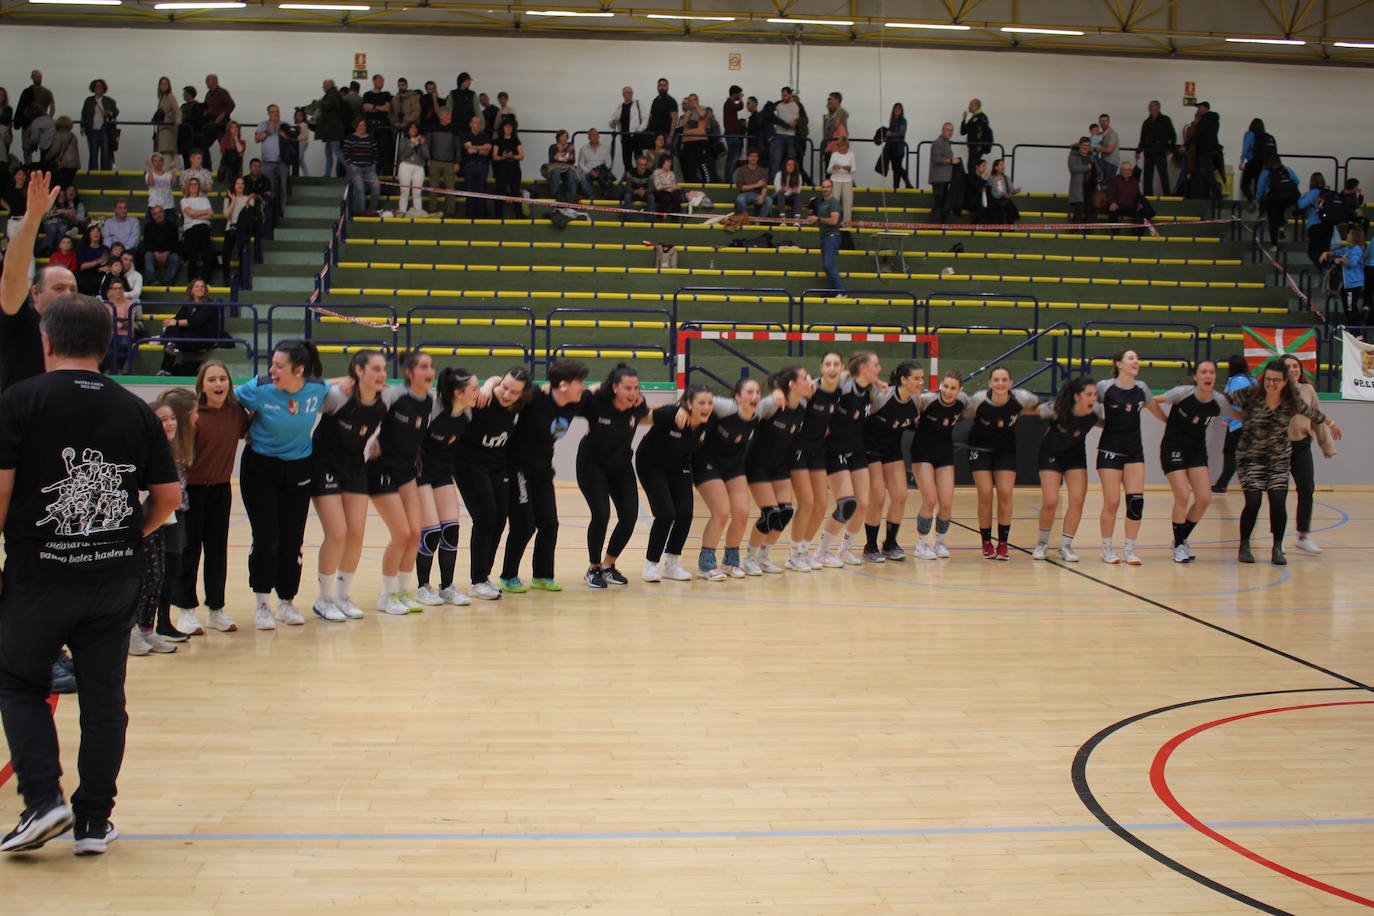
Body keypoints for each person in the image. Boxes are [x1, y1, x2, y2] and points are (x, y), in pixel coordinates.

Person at [0, 293, 180, 856]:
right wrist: (128, 537)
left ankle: (42, 801)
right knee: (105, 701)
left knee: (18, 684)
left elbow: (1, 491)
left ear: (46, 341)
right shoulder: (135, 407)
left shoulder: (20, 399)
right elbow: (168, 497)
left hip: (39, 576)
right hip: (114, 579)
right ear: (106, 345)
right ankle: (93, 822)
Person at [235, 340, 328, 630]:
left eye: (279, 366)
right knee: (266, 537)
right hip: (260, 467)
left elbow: (337, 385)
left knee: (292, 538)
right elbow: (226, 402)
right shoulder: (258, 388)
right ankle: (262, 604)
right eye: (272, 364)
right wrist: (243, 424)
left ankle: (286, 600)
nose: (272, 370)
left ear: (298, 370)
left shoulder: (317, 388)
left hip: (299, 467)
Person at [1229, 360, 1341, 565]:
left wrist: (1331, 424)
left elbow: (1313, 413)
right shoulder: (1251, 393)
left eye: (1276, 380)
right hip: (1250, 457)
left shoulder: (1292, 400)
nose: (1271, 384)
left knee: (1278, 501)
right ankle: (1244, 546)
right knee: (1253, 501)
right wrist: (1234, 416)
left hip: (1278, 458)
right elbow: (1222, 400)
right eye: (1268, 379)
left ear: (1284, 382)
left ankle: (1277, 547)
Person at [498, 360, 590, 593]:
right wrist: (489, 385)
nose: (583, 386)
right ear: (563, 384)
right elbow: (501, 387)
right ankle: (508, 576)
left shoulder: (575, 401)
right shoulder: (536, 396)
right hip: (517, 468)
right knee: (524, 525)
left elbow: (600, 389)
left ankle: (542, 576)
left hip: (543, 471)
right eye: (579, 382)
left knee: (549, 524)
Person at [173, 360, 247, 634]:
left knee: (217, 551)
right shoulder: (193, 414)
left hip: (221, 489)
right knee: (189, 551)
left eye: (222, 379)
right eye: (212, 379)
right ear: (202, 385)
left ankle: (216, 610)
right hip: (191, 491)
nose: (218, 384)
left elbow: (249, 431)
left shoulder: (236, 412)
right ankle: (186, 610)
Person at [365, 351, 435, 616]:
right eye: (423, 366)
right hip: (381, 470)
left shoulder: (429, 400)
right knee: (402, 534)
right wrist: (372, 440)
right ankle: (386, 595)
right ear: (409, 372)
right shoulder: (393, 395)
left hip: (406, 471)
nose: (429, 371)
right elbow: (365, 411)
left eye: (431, 366)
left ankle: (404, 592)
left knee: (415, 534)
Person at [455, 368, 531, 601]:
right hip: (469, 464)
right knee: (485, 518)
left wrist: (493, 381)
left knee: (499, 519)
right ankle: (477, 581)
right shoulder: (483, 399)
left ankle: (483, 576)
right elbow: (493, 381)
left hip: (497, 466)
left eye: (514, 392)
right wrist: (489, 384)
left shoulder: (518, 405)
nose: (507, 394)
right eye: (504, 388)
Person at [131, 389, 196, 652]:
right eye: (162, 420)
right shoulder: (146, 450)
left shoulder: (178, 446)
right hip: (152, 515)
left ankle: (150, 629)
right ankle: (132, 630)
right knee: (148, 573)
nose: (169, 424)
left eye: (171, 418)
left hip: (174, 514)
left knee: (162, 574)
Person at [573, 364, 648, 590]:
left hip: (621, 465)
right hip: (591, 465)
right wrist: (592, 388)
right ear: (615, 388)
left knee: (629, 516)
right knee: (601, 514)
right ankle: (593, 568)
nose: (633, 392)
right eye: (627, 388)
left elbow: (648, 412)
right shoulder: (596, 403)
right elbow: (572, 402)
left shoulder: (638, 405)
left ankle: (608, 565)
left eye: (636, 388)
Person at [413, 367, 479, 606]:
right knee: (431, 531)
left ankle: (447, 587)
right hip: (419, 473)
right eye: (474, 388)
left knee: (451, 529)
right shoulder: (432, 410)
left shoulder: (466, 415)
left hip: (442, 473)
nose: (478, 392)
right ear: (458, 393)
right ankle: (423, 587)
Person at [1153, 361, 1230, 564]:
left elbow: (1233, 414)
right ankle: (1179, 546)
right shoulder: (1182, 393)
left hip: (1196, 451)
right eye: (1203, 372)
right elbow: (1151, 401)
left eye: (1211, 372)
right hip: (1173, 448)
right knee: (1182, 495)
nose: (1208, 375)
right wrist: (1164, 419)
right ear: (1196, 377)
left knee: (1204, 498)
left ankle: (1180, 539)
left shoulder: (1219, 400)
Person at [1095, 350, 1167, 565]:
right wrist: (1103, 423)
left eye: (1137, 358)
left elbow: (1155, 410)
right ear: (1119, 364)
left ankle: (1130, 550)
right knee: (1112, 502)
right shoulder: (1104, 387)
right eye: (1131, 358)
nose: (1136, 361)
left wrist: (1171, 424)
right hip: (1109, 451)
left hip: (1134, 452)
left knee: (1136, 502)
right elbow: (1090, 411)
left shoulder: (1142, 388)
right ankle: (1107, 549)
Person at [693, 378, 768, 580]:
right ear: (737, 397)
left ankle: (730, 562)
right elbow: (697, 399)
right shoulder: (725, 407)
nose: (755, 396)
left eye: (757, 392)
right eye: (749, 392)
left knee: (742, 513)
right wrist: (682, 409)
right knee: (722, 512)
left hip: (734, 466)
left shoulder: (760, 411)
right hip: (708, 463)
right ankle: (706, 565)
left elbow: (781, 398)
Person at [812, 352, 882, 566]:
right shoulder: (843, 387)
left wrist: (877, 381)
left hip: (857, 450)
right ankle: (821, 551)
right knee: (846, 504)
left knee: (863, 504)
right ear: (864, 369)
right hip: (834, 450)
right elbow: (822, 384)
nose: (879, 369)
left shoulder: (869, 390)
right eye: (876, 365)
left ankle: (845, 549)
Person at [637, 384, 712, 581]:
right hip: (650, 464)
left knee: (685, 513)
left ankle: (671, 565)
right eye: (701, 403)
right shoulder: (671, 414)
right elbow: (642, 415)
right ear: (689, 404)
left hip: (679, 466)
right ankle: (650, 565)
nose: (706, 407)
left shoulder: (707, 423)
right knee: (665, 513)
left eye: (709, 403)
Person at [964, 367, 1039, 560]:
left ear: (1011, 382)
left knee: (1005, 493)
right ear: (990, 383)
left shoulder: (1021, 398)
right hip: (980, 448)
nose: (1000, 383)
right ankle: (986, 542)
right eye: (996, 380)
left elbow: (1037, 406)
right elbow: (965, 412)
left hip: (1005, 449)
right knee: (985, 493)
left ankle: (1003, 544)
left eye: (1004, 380)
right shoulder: (979, 399)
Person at [743, 366, 812, 575]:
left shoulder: (802, 405)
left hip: (779, 465)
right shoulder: (771, 404)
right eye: (805, 378)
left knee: (785, 512)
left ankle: (763, 557)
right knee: (770, 513)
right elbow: (744, 417)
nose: (810, 381)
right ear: (792, 384)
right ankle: (749, 559)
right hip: (757, 464)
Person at [1031, 377, 1102, 561]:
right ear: (1077, 396)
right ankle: (1042, 543)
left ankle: (1065, 546)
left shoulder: (1096, 412)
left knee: (1077, 500)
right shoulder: (1057, 408)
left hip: (1075, 456)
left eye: (1095, 394)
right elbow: (1031, 410)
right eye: (1089, 394)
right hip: (1051, 453)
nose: (1093, 398)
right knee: (1051, 501)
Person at [862, 361, 924, 562]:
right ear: (903, 380)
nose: (921, 382)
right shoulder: (882, 396)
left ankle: (890, 544)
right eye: (916, 378)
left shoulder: (916, 401)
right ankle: (870, 546)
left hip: (892, 450)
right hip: (870, 449)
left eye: (922, 378)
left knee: (900, 496)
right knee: (878, 498)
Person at [1278, 353, 1338, 556]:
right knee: (1278, 493)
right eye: (1288, 367)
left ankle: (1303, 536)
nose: (1293, 370)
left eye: (1296, 366)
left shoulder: (1308, 390)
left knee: (1306, 489)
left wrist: (1326, 446)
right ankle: (1278, 539)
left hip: (1302, 446)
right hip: (1278, 448)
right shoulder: (1274, 390)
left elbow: (1317, 419)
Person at [787, 351, 840, 571]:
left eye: (836, 364)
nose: (831, 368)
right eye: (827, 364)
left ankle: (804, 550)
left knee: (822, 504)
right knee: (807, 502)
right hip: (798, 449)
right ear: (821, 368)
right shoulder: (811, 389)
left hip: (818, 450)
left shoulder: (840, 392)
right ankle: (793, 555)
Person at [911, 370, 968, 560]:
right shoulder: (927, 400)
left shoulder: (963, 402)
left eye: (953, 388)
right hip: (922, 452)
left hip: (944, 454)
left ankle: (939, 542)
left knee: (947, 502)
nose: (948, 391)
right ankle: (921, 545)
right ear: (940, 385)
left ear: (960, 390)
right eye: (945, 386)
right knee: (930, 500)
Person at [1212, 354, 1253, 494]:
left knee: (1230, 453)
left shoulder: (1235, 381)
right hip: (1252, 424)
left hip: (1238, 425)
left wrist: (1227, 419)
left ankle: (1221, 484)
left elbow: (1232, 402)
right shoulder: (1252, 380)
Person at [1321, 226, 1367, 325]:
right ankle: (1351, 328)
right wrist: (1327, 253)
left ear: (1354, 236)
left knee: (1351, 308)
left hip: (1353, 284)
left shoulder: (1357, 249)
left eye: (1349, 234)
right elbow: (1336, 252)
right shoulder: (1348, 248)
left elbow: (1353, 263)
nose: (1347, 235)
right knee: (1347, 308)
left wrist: (1341, 260)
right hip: (1346, 284)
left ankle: (1357, 330)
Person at [253, 105, 290, 220]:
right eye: (273, 112)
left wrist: (284, 134)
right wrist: (267, 133)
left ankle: (283, 211)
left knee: (284, 187)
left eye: (277, 111)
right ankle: (271, 212)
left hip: (282, 161)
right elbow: (257, 139)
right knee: (269, 187)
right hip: (268, 162)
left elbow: (291, 138)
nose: (276, 114)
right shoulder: (263, 124)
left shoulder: (284, 124)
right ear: (269, 113)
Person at [806, 179, 845, 291]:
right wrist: (813, 220)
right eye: (823, 187)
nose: (826, 189)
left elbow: (834, 221)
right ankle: (830, 291)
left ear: (831, 188)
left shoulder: (834, 202)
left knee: (829, 265)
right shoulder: (822, 204)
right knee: (826, 266)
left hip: (832, 237)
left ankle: (842, 291)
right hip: (824, 237)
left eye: (828, 187)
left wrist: (818, 218)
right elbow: (821, 224)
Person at [1254, 156, 1301, 245]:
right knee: (1281, 210)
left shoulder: (1266, 172)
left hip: (1273, 199)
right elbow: (1297, 181)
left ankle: (1274, 244)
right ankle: (1281, 227)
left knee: (1272, 221)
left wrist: (1257, 201)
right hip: (1288, 199)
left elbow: (1260, 188)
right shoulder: (1287, 169)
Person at [1136, 100, 1176, 197]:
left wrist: (1170, 148)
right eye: (1150, 106)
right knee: (1147, 177)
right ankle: (1148, 197)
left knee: (1163, 176)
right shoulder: (1147, 122)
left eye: (1153, 106)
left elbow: (1172, 135)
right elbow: (1143, 138)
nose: (1151, 108)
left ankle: (1167, 196)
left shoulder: (1165, 120)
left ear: (1158, 107)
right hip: (1148, 152)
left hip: (1160, 152)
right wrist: (1138, 151)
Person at [426, 108, 461, 218]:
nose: (450, 117)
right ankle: (432, 211)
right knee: (433, 189)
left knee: (450, 189)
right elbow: (427, 145)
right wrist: (428, 160)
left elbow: (458, 147)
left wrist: (457, 162)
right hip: (434, 162)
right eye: (448, 115)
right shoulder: (432, 128)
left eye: (450, 115)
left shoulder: (454, 129)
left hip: (449, 163)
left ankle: (451, 213)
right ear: (441, 116)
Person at [179, 178, 215, 281]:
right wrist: (204, 211)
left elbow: (211, 214)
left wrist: (196, 215)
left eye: (196, 184)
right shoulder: (184, 200)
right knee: (192, 257)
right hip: (191, 229)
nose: (193, 186)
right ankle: (192, 282)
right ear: (188, 187)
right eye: (191, 184)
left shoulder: (205, 199)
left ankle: (206, 281)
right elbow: (191, 213)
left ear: (199, 187)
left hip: (204, 228)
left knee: (207, 256)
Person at [343, 119, 380, 216]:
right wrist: (350, 164)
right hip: (356, 168)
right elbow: (345, 152)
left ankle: (372, 210)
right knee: (360, 189)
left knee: (376, 186)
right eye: (360, 125)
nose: (362, 127)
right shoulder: (350, 138)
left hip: (369, 169)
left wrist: (374, 163)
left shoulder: (371, 139)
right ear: (356, 126)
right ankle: (362, 212)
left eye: (363, 125)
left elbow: (376, 152)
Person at [80, 79, 118, 172]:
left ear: (104, 88)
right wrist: (83, 126)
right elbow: (84, 114)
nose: (98, 88)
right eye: (97, 86)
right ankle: (93, 174)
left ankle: (105, 174)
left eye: (100, 87)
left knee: (106, 154)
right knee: (93, 154)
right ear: (93, 88)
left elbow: (116, 112)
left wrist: (110, 113)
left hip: (105, 129)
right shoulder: (88, 101)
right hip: (92, 129)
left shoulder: (110, 101)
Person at [460, 115, 493, 218]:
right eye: (475, 122)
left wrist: (474, 149)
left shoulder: (486, 136)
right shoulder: (465, 135)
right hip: (469, 166)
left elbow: (487, 150)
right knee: (470, 191)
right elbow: (468, 148)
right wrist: (482, 148)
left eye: (479, 123)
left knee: (481, 191)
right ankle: (470, 216)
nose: (477, 125)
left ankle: (481, 216)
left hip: (482, 166)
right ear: (470, 124)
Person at [361, 75, 394, 178]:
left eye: (383, 81)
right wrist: (380, 107)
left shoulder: (385, 95)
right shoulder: (367, 95)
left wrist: (374, 107)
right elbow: (365, 108)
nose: (382, 83)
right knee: (370, 149)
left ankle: (382, 173)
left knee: (383, 150)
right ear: (374, 81)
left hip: (382, 126)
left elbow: (387, 108)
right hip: (371, 126)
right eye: (380, 80)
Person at [490, 120, 523, 219]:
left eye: (510, 127)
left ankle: (519, 216)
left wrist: (512, 156)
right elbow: (494, 157)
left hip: (514, 169)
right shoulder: (497, 141)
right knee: (500, 191)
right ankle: (498, 216)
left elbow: (521, 156)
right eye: (506, 126)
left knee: (515, 192)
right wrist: (503, 157)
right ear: (502, 128)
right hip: (501, 169)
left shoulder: (516, 141)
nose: (508, 128)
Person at [1239, 118, 1276, 203]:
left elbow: (1246, 148)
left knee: (1244, 185)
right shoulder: (1266, 137)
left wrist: (1241, 161)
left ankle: (1252, 200)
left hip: (1252, 162)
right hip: (1263, 164)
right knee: (1258, 185)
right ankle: (1257, 203)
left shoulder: (1249, 134)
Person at [929, 122, 960, 223]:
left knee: (942, 204)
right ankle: (935, 225)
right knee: (939, 204)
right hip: (939, 179)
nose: (950, 132)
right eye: (947, 130)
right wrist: (951, 161)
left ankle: (939, 224)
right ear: (942, 130)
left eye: (951, 130)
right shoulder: (938, 142)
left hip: (944, 178)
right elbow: (936, 159)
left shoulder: (946, 143)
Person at [395, 122, 428, 216]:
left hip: (419, 168)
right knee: (404, 191)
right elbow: (403, 154)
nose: (414, 129)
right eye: (411, 128)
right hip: (405, 166)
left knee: (417, 192)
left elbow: (426, 156)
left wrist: (423, 144)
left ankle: (418, 212)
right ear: (408, 130)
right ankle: (402, 212)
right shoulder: (403, 140)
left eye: (415, 128)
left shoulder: (421, 141)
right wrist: (413, 143)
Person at [610, 86, 646, 174]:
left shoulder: (638, 104)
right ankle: (629, 178)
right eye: (627, 92)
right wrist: (614, 121)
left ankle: (640, 177)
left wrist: (639, 130)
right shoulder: (620, 107)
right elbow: (611, 124)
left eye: (631, 92)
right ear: (623, 94)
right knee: (626, 161)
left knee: (639, 159)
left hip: (636, 137)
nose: (630, 94)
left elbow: (645, 118)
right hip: (625, 138)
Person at [315, 80, 347, 178]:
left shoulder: (331, 96)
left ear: (329, 86)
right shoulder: (334, 95)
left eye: (324, 85)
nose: (322, 87)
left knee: (336, 151)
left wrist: (318, 103)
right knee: (329, 152)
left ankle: (351, 171)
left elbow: (326, 107)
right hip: (332, 130)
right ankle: (327, 174)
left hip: (333, 130)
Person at [142, 205, 180, 284]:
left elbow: (175, 243)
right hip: (153, 252)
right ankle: (152, 280)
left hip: (168, 252)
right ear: (152, 216)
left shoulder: (172, 225)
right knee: (148, 256)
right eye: (155, 214)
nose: (158, 215)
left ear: (164, 213)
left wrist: (167, 253)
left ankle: (168, 280)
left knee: (175, 258)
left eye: (160, 212)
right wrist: (155, 253)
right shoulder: (148, 226)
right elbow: (147, 243)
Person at [732, 149, 772, 219]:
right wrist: (757, 185)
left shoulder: (762, 171)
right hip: (745, 194)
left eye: (756, 156)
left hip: (758, 194)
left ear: (758, 158)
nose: (754, 158)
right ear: (748, 158)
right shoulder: (741, 170)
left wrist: (762, 196)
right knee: (740, 199)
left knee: (769, 200)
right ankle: (746, 219)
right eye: (751, 156)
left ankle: (759, 221)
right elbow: (741, 187)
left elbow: (764, 186)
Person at [770, 87, 800, 177]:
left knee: (792, 161)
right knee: (776, 160)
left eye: (785, 95)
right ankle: (774, 181)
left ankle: (793, 180)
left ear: (790, 95)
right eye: (782, 95)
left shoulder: (797, 105)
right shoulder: (778, 105)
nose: (783, 97)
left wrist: (796, 122)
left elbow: (803, 119)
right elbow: (770, 114)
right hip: (779, 135)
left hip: (791, 136)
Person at [75, 225, 111, 297]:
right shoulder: (82, 247)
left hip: (99, 274)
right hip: (85, 274)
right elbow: (83, 266)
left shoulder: (105, 249)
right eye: (93, 231)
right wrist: (99, 261)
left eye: (98, 231)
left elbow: (108, 266)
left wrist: (105, 267)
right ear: (89, 234)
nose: (96, 233)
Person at [827, 137, 856, 225]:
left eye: (845, 146)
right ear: (838, 146)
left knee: (848, 202)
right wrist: (833, 168)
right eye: (842, 146)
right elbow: (828, 170)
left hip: (847, 180)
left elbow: (854, 170)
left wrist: (848, 169)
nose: (844, 148)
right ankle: (833, 222)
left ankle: (847, 224)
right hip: (835, 180)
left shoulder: (851, 155)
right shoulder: (834, 155)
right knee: (834, 203)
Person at [1067, 137, 1097, 222]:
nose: (1085, 147)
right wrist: (1087, 167)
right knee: (1078, 211)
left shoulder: (1091, 156)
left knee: (1090, 212)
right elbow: (1073, 169)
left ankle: (1088, 229)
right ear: (1079, 145)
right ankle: (1075, 229)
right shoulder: (1073, 155)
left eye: (1087, 145)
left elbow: (1096, 168)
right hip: (1078, 188)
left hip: (1090, 188)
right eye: (1083, 145)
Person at [154, 77, 180, 169]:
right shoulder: (162, 97)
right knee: (167, 151)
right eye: (162, 84)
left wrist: (178, 119)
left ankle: (168, 170)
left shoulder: (170, 97)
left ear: (169, 85)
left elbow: (177, 110)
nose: (164, 86)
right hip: (163, 127)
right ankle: (173, 170)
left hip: (168, 128)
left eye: (165, 84)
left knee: (167, 150)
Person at [883, 103, 911, 190]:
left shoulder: (903, 120)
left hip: (899, 148)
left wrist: (891, 134)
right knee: (895, 168)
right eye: (896, 108)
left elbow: (902, 133)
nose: (897, 110)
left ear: (901, 110)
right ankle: (897, 187)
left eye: (899, 108)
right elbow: (890, 132)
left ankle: (903, 185)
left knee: (897, 167)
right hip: (892, 147)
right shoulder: (892, 120)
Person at [545, 129, 578, 202]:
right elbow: (552, 160)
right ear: (558, 137)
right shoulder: (553, 147)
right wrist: (563, 153)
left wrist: (559, 158)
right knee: (556, 172)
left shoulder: (570, 147)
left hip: (567, 168)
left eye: (566, 136)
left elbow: (572, 161)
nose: (564, 138)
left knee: (571, 173)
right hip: (556, 167)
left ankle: (572, 197)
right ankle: (554, 196)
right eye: (562, 136)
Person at [646, 78, 678, 150]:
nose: (662, 87)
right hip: (653, 135)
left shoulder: (671, 101)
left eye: (664, 85)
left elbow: (674, 119)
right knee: (652, 156)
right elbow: (651, 116)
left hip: (665, 135)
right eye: (660, 85)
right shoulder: (655, 100)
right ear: (657, 87)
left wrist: (671, 136)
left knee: (664, 156)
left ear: (667, 87)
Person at [960, 99, 992, 172]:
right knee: (970, 166)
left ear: (977, 106)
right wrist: (964, 119)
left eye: (971, 104)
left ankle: (974, 179)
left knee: (973, 167)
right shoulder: (973, 119)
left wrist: (981, 145)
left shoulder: (982, 117)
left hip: (977, 147)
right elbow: (963, 131)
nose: (969, 106)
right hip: (972, 147)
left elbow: (986, 132)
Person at [821, 91, 849, 171]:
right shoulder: (828, 115)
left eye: (831, 99)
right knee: (830, 168)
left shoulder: (841, 111)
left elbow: (836, 126)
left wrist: (829, 137)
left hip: (836, 144)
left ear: (837, 100)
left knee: (835, 169)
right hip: (830, 144)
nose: (829, 101)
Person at [987, 158, 1020, 224]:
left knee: (1009, 207)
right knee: (1002, 209)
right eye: (1001, 165)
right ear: (996, 167)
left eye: (1003, 165)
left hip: (1005, 200)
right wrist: (1003, 195)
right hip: (995, 202)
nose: (1003, 167)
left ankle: (1010, 226)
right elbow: (994, 194)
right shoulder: (991, 179)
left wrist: (1015, 191)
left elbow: (1011, 190)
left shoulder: (1006, 177)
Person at [217, 121, 246, 189]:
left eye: (236, 128)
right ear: (229, 129)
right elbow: (224, 152)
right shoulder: (224, 140)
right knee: (228, 187)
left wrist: (236, 139)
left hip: (238, 167)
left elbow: (240, 150)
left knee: (238, 186)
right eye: (232, 127)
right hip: (227, 167)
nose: (235, 129)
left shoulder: (242, 142)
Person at [1096, 113, 1120, 181]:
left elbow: (1109, 150)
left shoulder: (1112, 134)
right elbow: (1090, 141)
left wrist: (1096, 149)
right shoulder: (1102, 134)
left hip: (1111, 163)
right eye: (1102, 121)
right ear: (1099, 122)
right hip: (1105, 161)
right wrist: (1077, 144)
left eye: (1105, 121)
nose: (1103, 123)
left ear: (1109, 122)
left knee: (1108, 185)